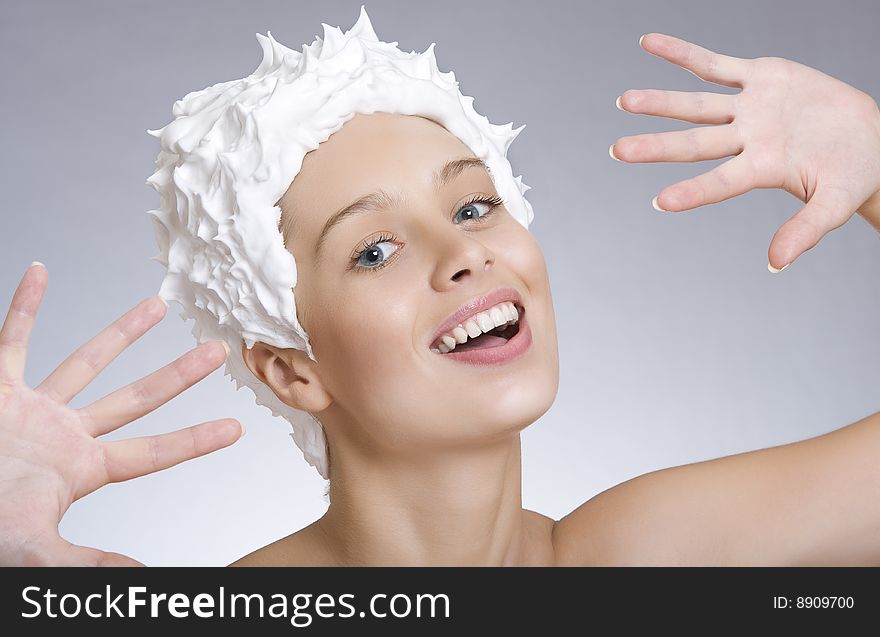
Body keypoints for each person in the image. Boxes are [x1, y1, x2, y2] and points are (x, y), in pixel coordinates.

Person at [1, 25, 879, 566]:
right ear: (294, 371)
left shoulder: (649, 556)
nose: (462, 251)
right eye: (374, 249)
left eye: (473, 205)